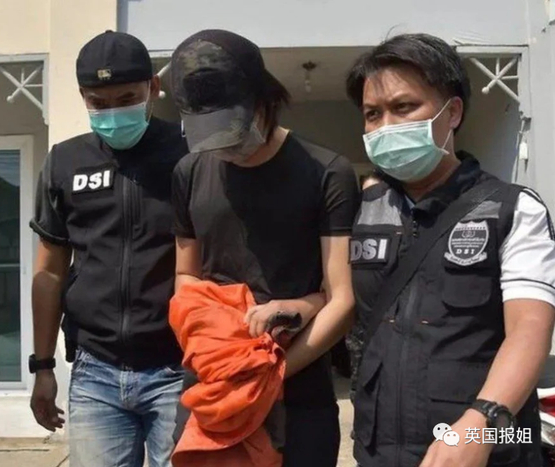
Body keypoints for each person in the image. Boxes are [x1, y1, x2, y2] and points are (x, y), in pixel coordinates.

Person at [345, 33, 555, 467]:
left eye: (404, 107)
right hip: (379, 452)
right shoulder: (363, 210)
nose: (386, 126)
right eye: (372, 114)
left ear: (452, 112)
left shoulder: (512, 209)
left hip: (484, 449)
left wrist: (481, 425)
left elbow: (529, 329)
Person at [168, 29, 359, 466]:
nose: (225, 148)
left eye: (232, 131)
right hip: (214, 388)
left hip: (299, 392)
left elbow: (343, 300)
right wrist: (221, 351)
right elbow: (186, 276)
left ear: (264, 99)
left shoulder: (327, 172)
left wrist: (270, 372)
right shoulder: (189, 172)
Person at [28, 30, 189, 467]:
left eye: (127, 98)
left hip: (177, 367)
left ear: (153, 87)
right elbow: (49, 271)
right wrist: (43, 367)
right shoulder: (64, 162)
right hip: (95, 372)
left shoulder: (187, 155)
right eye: (98, 102)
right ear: (83, 97)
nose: (113, 112)